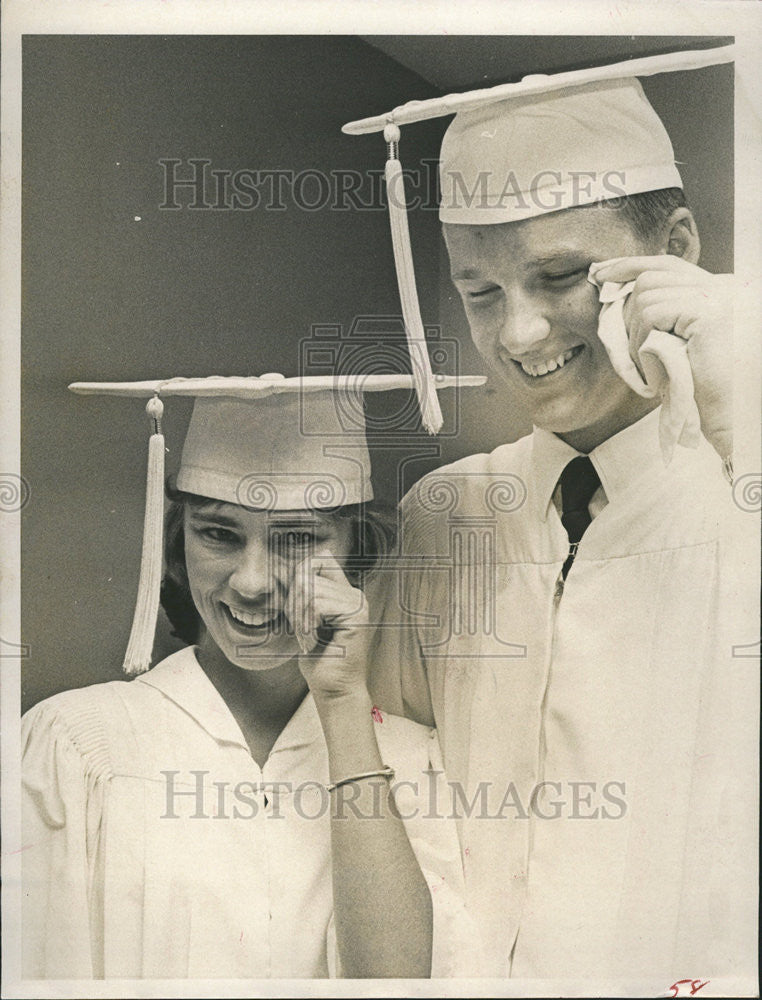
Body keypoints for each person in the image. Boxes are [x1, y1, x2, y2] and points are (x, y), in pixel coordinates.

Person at [347, 50, 758, 984]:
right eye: (479, 291)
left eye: (561, 274)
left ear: (679, 250)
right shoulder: (445, 518)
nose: (519, 334)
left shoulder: (744, 499)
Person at [21, 375, 484, 980]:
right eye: (218, 533)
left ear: (356, 551)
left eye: (297, 539)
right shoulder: (80, 743)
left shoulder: (410, 757)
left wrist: (343, 702)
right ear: (177, 543)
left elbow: (396, 984)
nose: (250, 582)